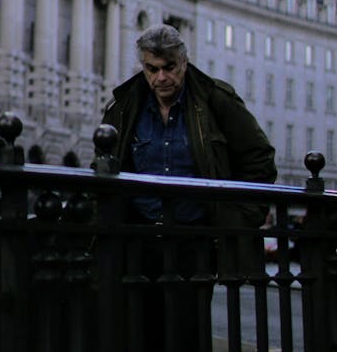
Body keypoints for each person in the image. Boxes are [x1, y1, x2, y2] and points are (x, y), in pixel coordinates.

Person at [101, 24, 277, 348]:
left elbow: (260, 158)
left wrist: (240, 217)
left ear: (184, 62)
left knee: (188, 334)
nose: (161, 78)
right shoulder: (125, 105)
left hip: (193, 241)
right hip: (138, 240)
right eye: (152, 69)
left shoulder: (215, 100)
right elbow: (106, 166)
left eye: (169, 68)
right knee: (140, 333)